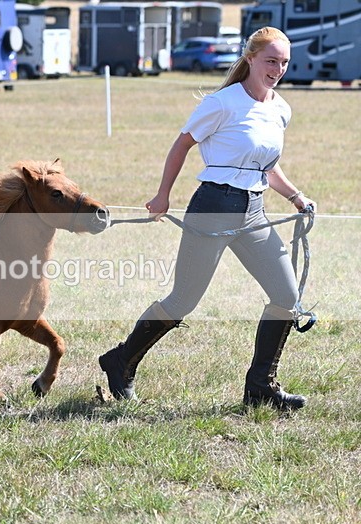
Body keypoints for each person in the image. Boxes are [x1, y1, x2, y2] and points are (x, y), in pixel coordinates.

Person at [99, 26, 316, 410]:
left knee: (287, 296)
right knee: (183, 300)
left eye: (283, 62)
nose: (277, 69)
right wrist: (163, 195)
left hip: (254, 210)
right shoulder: (222, 103)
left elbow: (268, 165)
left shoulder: (280, 108)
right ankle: (121, 360)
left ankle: (260, 387)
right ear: (250, 58)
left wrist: (296, 196)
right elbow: (182, 143)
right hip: (213, 206)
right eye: (270, 61)